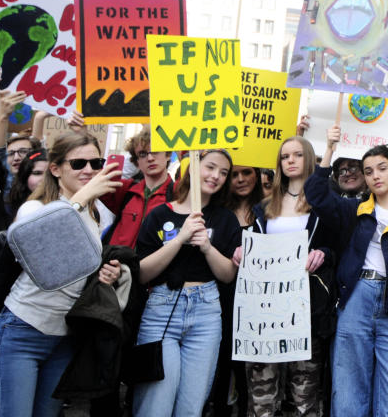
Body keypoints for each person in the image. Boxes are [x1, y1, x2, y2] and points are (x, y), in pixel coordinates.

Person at [0, 131, 124, 416]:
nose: (89, 170)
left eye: (96, 163)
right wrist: (82, 198)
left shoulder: (101, 215)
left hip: (64, 338)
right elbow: (44, 254)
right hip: (20, 332)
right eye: (78, 164)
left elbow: (76, 268)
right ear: (56, 169)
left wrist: (106, 273)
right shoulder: (35, 208)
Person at [304, 128, 388, 417]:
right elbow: (316, 195)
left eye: (382, 168)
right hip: (356, 301)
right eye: (368, 171)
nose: (375, 175)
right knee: (348, 400)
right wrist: (328, 148)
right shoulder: (353, 210)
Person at [132, 149, 241, 417]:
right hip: (161, 310)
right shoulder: (159, 215)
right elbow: (142, 273)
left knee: (191, 406)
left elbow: (227, 275)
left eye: (223, 173)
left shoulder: (225, 219)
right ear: (192, 165)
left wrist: (206, 246)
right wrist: (180, 239)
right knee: (155, 403)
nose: (216, 176)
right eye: (210, 167)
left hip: (206, 313)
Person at [246, 136, 335, 417]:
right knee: (262, 395)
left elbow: (338, 246)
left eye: (297, 155)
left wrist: (324, 253)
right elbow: (253, 248)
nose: (291, 161)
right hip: (265, 311)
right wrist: (242, 252)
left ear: (308, 158)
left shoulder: (324, 204)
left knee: (304, 394)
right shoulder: (263, 207)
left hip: (306, 310)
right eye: (285, 157)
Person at [207, 163, 263, 417]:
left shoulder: (270, 212)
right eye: (234, 175)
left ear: (258, 174)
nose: (240, 179)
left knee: (250, 367)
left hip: (260, 302)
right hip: (222, 297)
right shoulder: (217, 213)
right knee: (221, 360)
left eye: (247, 173)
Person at [101, 125, 173, 249]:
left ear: (167, 155)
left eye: (155, 151)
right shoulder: (125, 190)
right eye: (143, 154)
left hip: (154, 266)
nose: (150, 158)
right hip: (115, 265)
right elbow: (85, 183)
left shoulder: (178, 193)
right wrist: (81, 132)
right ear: (136, 162)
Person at [0, 91, 42, 193]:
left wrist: (40, 118)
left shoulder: (46, 187)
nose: (16, 158)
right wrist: (3, 116)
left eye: (23, 151)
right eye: (10, 153)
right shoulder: (4, 184)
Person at [5, 150, 47, 219]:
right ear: (25, 176)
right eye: (37, 173)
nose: (45, 179)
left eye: (49, 174)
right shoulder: (8, 206)